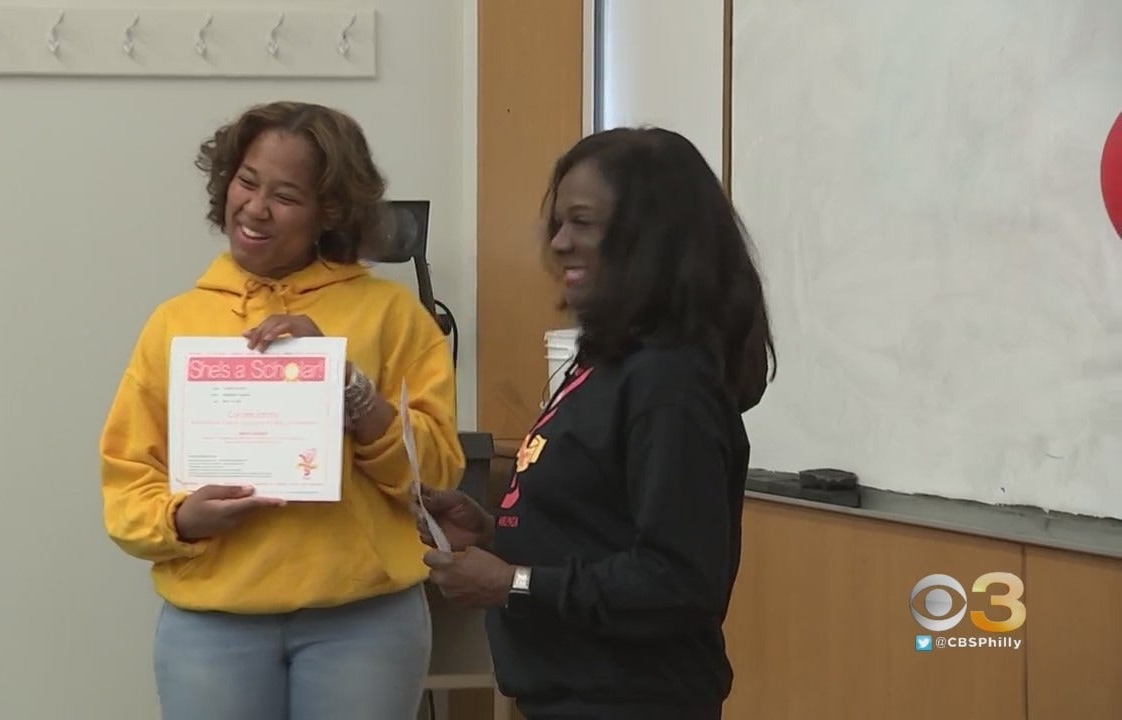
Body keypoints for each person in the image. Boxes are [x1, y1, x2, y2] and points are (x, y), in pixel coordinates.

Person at [100, 100, 465, 720]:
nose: (256, 208)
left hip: (365, 623)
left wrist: (353, 392)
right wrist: (182, 519)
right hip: (213, 625)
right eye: (246, 182)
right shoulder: (176, 323)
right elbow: (127, 483)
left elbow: (437, 478)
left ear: (330, 211)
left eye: (286, 196)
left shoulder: (393, 315)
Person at [419, 126, 775, 719]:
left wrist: (513, 583)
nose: (558, 243)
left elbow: (678, 581)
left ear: (650, 238)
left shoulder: (670, 384)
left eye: (581, 222)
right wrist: (492, 534)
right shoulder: (611, 364)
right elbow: (599, 528)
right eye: (557, 223)